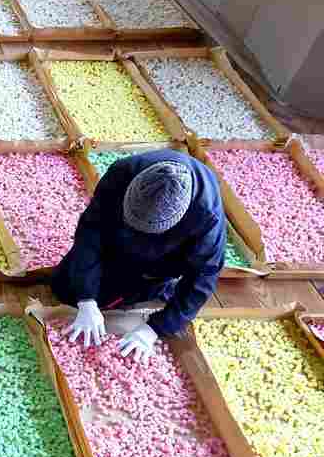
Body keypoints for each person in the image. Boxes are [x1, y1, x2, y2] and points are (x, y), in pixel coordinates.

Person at [53, 149, 225, 362]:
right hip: (117, 242)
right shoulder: (123, 171)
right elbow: (91, 230)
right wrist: (86, 299)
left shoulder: (207, 216)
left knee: (131, 293)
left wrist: (154, 329)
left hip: (163, 259)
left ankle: (159, 286)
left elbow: (203, 278)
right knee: (64, 288)